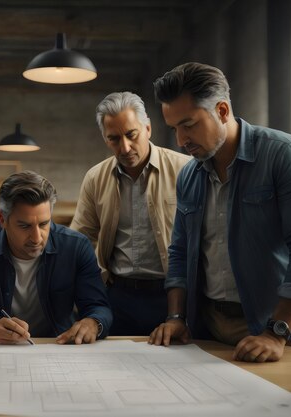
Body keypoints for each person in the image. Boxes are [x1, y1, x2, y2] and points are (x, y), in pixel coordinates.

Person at [149, 62, 291, 362]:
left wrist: (276, 332)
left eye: (188, 124)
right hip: (214, 329)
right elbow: (180, 252)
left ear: (222, 111)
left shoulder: (286, 155)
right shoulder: (189, 176)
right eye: (174, 128)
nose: (180, 140)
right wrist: (176, 316)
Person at [0, 170, 112, 344]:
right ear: (2, 219)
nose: (37, 238)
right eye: (24, 226)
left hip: (58, 348)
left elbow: (98, 307)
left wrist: (93, 322)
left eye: (44, 224)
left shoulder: (76, 247)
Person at [70, 92, 190, 336]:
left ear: (147, 128)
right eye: (114, 139)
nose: (124, 147)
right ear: (105, 139)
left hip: (174, 295)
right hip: (118, 296)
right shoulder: (95, 178)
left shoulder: (185, 170)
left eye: (131, 135)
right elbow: (79, 242)